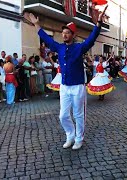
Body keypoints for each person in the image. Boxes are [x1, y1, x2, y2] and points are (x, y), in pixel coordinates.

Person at [27, 5, 108, 150]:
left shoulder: (80, 47)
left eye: (67, 33)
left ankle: (79, 138)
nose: (64, 35)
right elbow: (45, 37)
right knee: (63, 116)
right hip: (64, 86)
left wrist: (99, 23)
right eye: (63, 32)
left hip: (78, 86)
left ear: (73, 35)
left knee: (78, 115)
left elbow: (92, 38)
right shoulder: (59, 47)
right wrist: (36, 24)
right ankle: (70, 135)